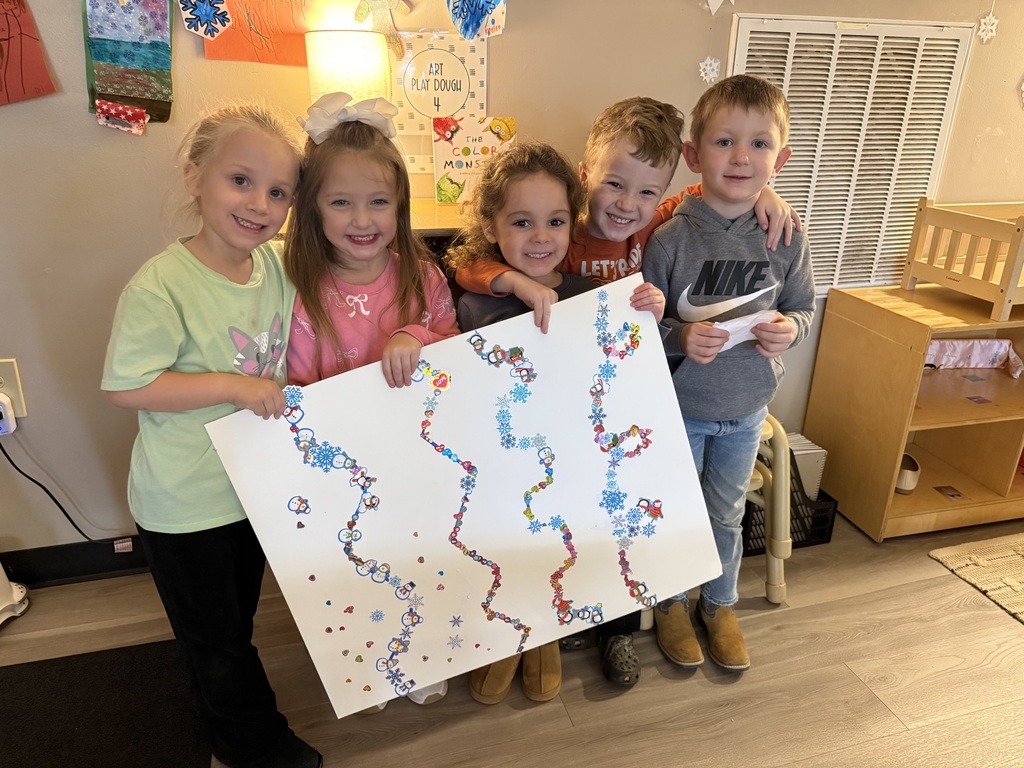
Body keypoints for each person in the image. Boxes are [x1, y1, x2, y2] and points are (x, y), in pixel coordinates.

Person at [102, 105, 321, 768]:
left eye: (279, 192)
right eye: (241, 181)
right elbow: (127, 386)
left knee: (230, 629)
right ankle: (255, 747)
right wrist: (232, 385)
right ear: (196, 176)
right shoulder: (162, 284)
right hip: (183, 502)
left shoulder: (279, 267)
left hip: (247, 491)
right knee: (220, 641)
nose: (260, 204)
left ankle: (221, 722)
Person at [445, 140, 664, 705]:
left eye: (556, 221)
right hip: (497, 459)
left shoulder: (592, 295)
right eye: (522, 221)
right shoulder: (472, 298)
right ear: (493, 226)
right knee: (503, 548)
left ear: (573, 223)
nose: (541, 237)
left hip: (567, 456)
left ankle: (542, 638)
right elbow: (453, 269)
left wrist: (644, 313)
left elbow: (615, 370)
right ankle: (506, 639)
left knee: (554, 544)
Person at [283, 93, 460, 707]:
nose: (363, 219)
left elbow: (454, 345)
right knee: (356, 561)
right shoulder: (303, 288)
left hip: (415, 456)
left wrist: (415, 333)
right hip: (343, 466)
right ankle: (373, 661)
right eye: (341, 202)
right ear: (314, 208)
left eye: (379, 202)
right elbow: (295, 382)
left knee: (419, 554)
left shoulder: (419, 271)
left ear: (400, 206)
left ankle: (424, 651)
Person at [641, 74, 814, 672]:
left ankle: (718, 603)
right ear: (693, 155)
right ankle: (668, 603)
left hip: (747, 411)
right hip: (680, 410)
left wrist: (790, 329)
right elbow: (639, 334)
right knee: (672, 510)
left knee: (726, 511)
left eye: (760, 144)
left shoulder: (786, 237)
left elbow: (803, 308)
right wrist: (681, 337)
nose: (742, 157)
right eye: (724, 142)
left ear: (781, 158)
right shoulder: (667, 240)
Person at [454, 96, 799, 334]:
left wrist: (763, 191)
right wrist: (519, 283)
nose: (628, 205)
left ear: (660, 196)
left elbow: (710, 191)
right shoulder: (560, 234)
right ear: (585, 178)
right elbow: (470, 267)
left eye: (647, 192)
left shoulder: (655, 223)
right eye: (615, 185)